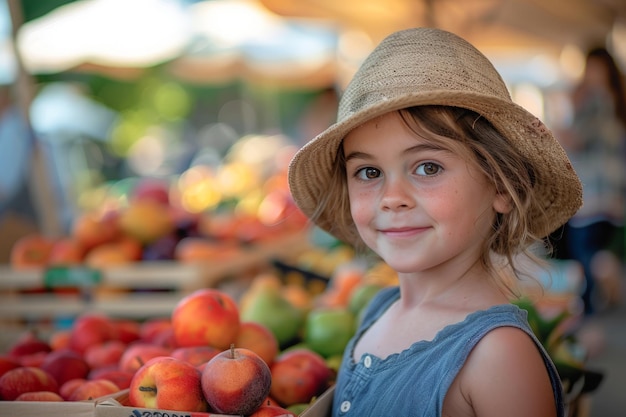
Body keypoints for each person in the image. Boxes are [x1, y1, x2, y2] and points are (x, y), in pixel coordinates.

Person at [288, 28, 582, 416]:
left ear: (503, 187)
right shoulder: (377, 310)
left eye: (428, 167)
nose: (392, 198)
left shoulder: (498, 357)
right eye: (369, 172)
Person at [558, 47, 626, 315]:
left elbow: (575, 140)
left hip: (591, 194)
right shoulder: (617, 102)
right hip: (612, 194)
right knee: (594, 250)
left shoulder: (596, 101)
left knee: (583, 255)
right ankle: (604, 275)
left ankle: (589, 313)